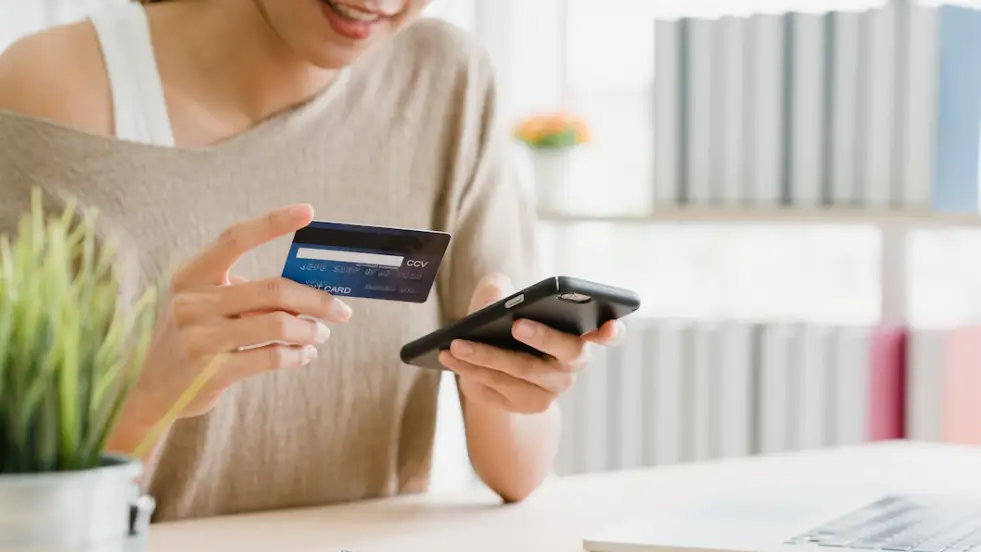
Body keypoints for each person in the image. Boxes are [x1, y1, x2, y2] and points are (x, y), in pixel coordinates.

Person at [0, 0, 625, 522]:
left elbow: (518, 473)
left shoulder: (443, 82)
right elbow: (22, 509)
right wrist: (142, 399)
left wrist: (502, 382)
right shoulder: (52, 87)